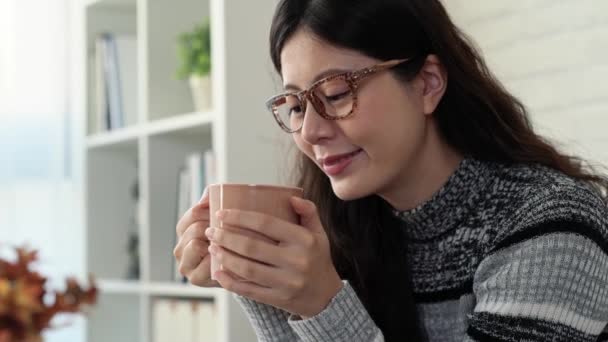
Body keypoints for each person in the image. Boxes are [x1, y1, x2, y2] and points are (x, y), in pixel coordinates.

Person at [173, 0, 608, 341]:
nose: (311, 130)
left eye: (337, 93)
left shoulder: (552, 230)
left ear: (427, 84)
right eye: (297, 105)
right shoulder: (347, 223)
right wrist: (264, 284)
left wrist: (321, 305)